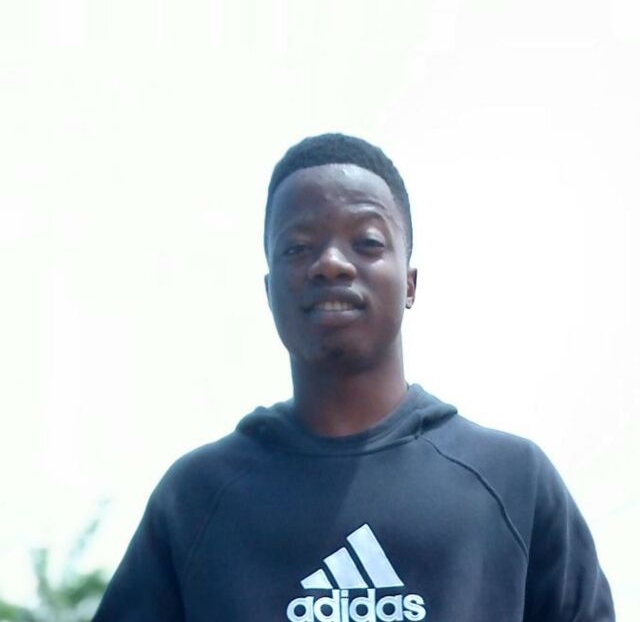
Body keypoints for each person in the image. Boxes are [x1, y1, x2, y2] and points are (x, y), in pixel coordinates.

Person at [93, 133, 615, 622]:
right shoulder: (197, 498)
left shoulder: (512, 483)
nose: (330, 264)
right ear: (269, 291)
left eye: (366, 242)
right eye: (298, 247)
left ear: (410, 283)